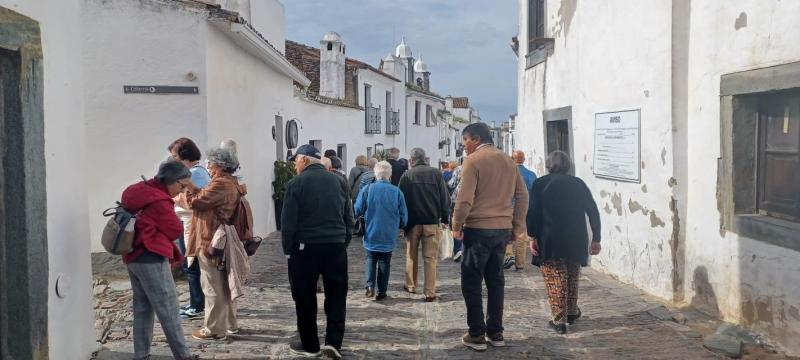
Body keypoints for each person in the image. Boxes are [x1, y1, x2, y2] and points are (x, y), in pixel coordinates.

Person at [452, 122, 529, 351]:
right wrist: (515, 226)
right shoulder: (509, 161)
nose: (464, 145)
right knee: (496, 281)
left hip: (478, 229)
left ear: (475, 139)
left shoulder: (473, 161)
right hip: (502, 229)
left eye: (465, 140)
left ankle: (476, 334)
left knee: (472, 282)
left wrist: (456, 224)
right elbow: (523, 196)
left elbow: (464, 199)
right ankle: (496, 332)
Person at [121, 160, 198, 360]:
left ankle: (141, 354)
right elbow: (175, 229)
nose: (181, 192)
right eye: (181, 187)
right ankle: (183, 355)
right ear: (172, 181)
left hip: (132, 255)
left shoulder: (135, 190)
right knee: (168, 308)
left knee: (142, 307)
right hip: (151, 257)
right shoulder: (159, 201)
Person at [282, 144, 353, 359]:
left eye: (296, 161)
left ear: (304, 160)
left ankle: (310, 344)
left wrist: (288, 249)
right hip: (335, 246)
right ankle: (333, 342)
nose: (295, 165)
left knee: (304, 296)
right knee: (337, 295)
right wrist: (343, 241)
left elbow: (288, 222)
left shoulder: (296, 183)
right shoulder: (340, 181)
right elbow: (348, 217)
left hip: (305, 247)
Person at [526, 150, 601, 335]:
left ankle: (559, 319)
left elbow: (532, 212)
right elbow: (593, 210)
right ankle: (571, 312)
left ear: (549, 165)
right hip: (575, 238)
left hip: (550, 238)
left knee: (555, 276)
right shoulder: (578, 184)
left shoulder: (540, 184)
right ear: (568, 165)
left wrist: (532, 235)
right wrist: (596, 238)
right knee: (572, 275)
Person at [182, 147, 244, 341]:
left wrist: (188, 189)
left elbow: (196, 203)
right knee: (224, 284)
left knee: (212, 285)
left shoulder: (220, 184)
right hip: (218, 237)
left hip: (211, 239)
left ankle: (214, 329)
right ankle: (230, 324)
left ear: (219, 165)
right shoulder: (228, 182)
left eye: (210, 162)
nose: (207, 166)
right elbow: (205, 197)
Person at [398, 147, 450, 302]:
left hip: (412, 223)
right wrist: (445, 218)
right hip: (431, 222)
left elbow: (400, 201)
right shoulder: (436, 174)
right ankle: (429, 291)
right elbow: (445, 199)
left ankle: (411, 285)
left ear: (412, 160)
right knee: (430, 258)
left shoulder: (407, 175)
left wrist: (402, 223)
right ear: (425, 158)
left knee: (411, 255)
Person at [168, 138, 211, 320]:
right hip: (187, 224)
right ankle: (196, 301)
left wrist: (175, 198)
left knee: (192, 265)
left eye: (175, 156)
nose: (173, 160)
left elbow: (195, 201)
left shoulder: (196, 174)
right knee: (190, 264)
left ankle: (197, 305)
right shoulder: (192, 172)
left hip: (192, 225)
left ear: (185, 156)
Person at [355, 161, 407, 301]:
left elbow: (357, 209)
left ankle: (370, 285)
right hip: (389, 231)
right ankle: (382, 291)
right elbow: (403, 215)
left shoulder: (367, 189)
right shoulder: (397, 192)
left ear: (376, 174)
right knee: (385, 261)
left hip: (371, 230)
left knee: (370, 258)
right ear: (390, 175)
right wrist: (401, 225)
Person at [504, 150, 538, 271]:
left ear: (512, 159)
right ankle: (520, 263)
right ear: (523, 160)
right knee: (521, 234)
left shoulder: (506, 174)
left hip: (508, 207)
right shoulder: (532, 175)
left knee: (506, 231)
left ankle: (508, 256)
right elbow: (535, 194)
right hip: (525, 207)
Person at [447, 158, 465, 261]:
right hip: (473, 201)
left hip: (457, 200)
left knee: (456, 224)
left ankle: (458, 249)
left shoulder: (458, 169)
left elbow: (451, 184)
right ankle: (464, 248)